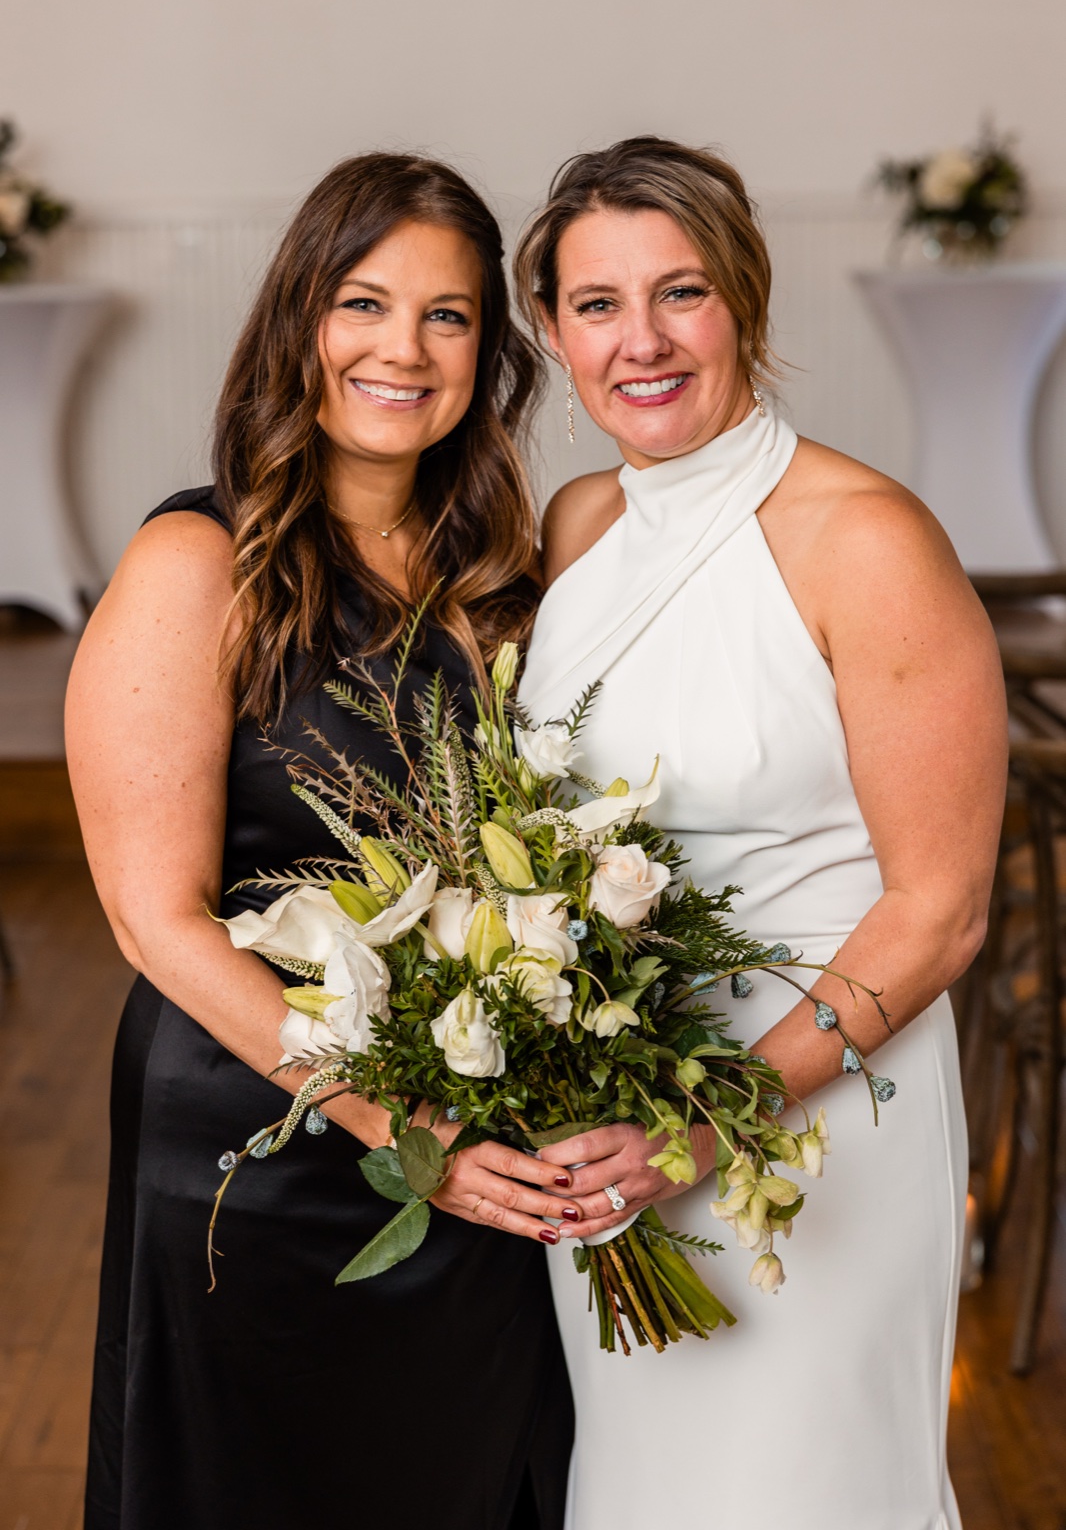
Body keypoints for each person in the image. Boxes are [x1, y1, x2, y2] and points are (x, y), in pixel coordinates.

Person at [68, 151, 575, 1530]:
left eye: (448, 315)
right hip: (261, 1140)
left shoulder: (502, 575)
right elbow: (151, 917)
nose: (401, 349)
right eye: (363, 302)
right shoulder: (198, 564)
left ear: (489, 350)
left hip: (470, 1131)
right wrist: (402, 1130)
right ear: (299, 321)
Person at [513, 136, 1006, 1530]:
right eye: (597, 305)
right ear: (552, 332)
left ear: (746, 301)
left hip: (818, 1116)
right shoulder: (577, 525)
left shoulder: (866, 538)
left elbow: (940, 909)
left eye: (682, 293)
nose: (643, 341)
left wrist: (703, 1128)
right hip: (609, 1128)